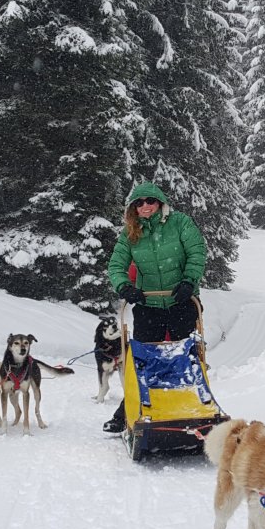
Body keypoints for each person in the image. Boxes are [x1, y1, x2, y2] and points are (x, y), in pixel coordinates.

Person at [101, 182, 207, 433]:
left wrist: (189, 281)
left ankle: (193, 407)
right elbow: (116, 265)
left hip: (181, 300)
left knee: (185, 357)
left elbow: (197, 252)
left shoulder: (180, 223)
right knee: (143, 360)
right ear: (133, 208)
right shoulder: (130, 233)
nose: (146, 206)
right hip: (149, 304)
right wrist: (125, 286)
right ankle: (129, 410)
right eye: (140, 203)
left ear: (160, 202)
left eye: (150, 201)